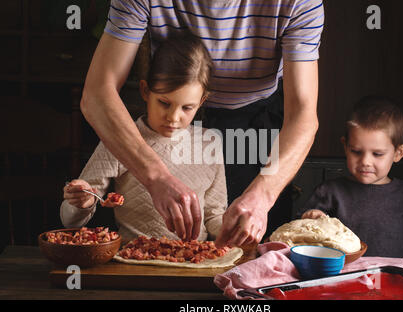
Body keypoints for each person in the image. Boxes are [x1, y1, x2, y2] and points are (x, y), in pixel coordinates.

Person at [80, 0, 324, 247]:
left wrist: (263, 195)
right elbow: (97, 95)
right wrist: (155, 175)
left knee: (250, 250)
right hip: (173, 103)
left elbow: (303, 116)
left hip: (255, 121)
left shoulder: (299, 3)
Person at [61, 34, 227, 243]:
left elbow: (214, 214)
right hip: (134, 260)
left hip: (195, 259)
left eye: (187, 107)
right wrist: (80, 203)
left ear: (202, 101)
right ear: (145, 91)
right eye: (164, 103)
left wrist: (231, 231)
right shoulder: (119, 138)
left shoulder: (209, 143)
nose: (173, 117)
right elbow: (70, 222)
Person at [298, 96, 403, 272]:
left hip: (396, 282)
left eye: (377, 154)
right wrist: (311, 216)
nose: (365, 161)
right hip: (343, 280)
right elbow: (300, 234)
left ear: (398, 152)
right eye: (356, 151)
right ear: (345, 146)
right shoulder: (330, 191)